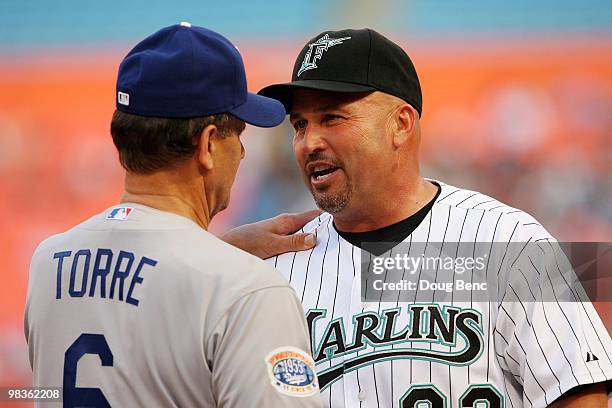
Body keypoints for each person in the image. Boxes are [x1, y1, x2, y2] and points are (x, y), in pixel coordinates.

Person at [224, 28, 612, 407]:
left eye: (333, 118)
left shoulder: (508, 242)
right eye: (300, 125)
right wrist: (218, 255)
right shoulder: (274, 265)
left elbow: (579, 394)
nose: (309, 142)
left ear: (401, 123)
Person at [24, 23, 322, 408]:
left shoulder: (49, 261)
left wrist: (217, 254)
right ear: (208, 144)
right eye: (239, 135)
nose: (244, 154)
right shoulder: (248, 290)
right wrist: (224, 267)